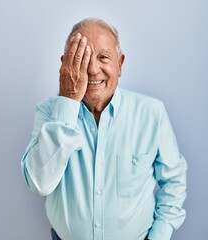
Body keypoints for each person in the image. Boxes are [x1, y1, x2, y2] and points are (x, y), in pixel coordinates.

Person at [21, 17, 187, 240]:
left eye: (103, 57)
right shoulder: (48, 112)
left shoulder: (152, 112)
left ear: (120, 64)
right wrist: (68, 99)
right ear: (65, 65)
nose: (92, 69)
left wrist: (159, 236)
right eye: (82, 58)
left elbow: (174, 181)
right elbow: (38, 183)